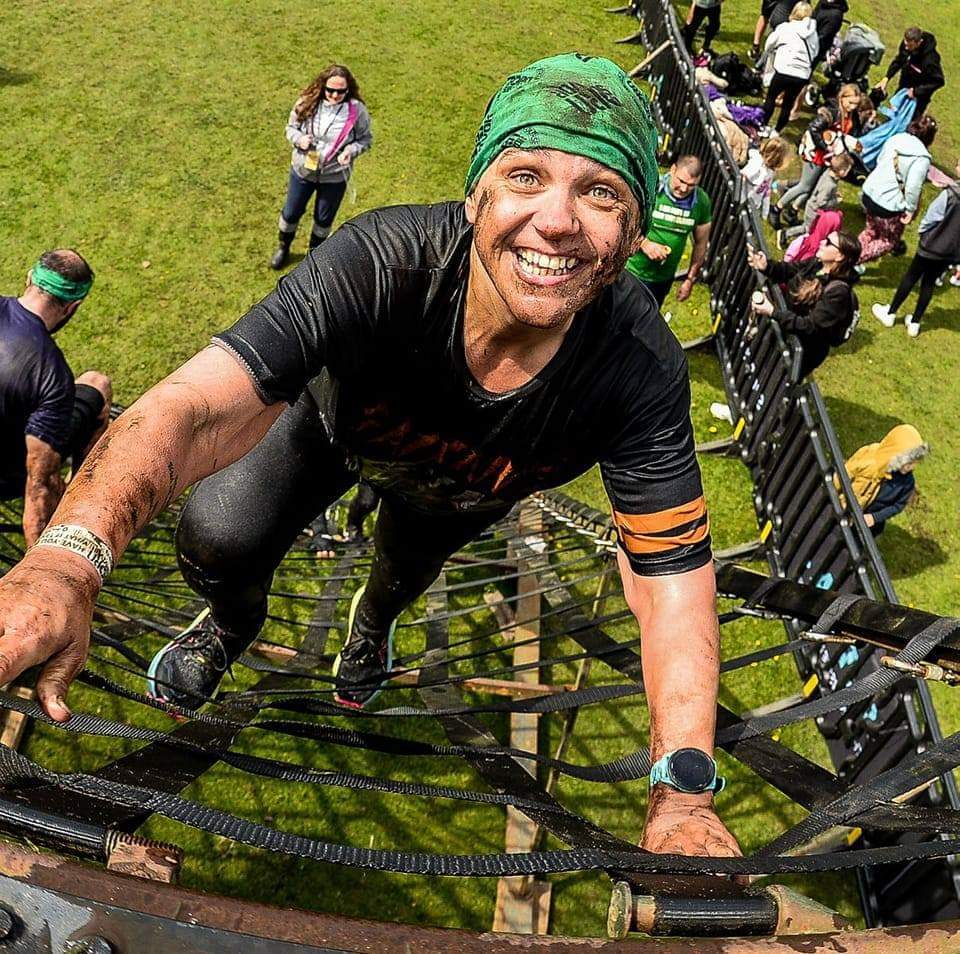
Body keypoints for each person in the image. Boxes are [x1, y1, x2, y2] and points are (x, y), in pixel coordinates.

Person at [0, 54, 740, 862]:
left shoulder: (639, 364)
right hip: (330, 430)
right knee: (217, 534)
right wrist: (65, 563)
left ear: (633, 234)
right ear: (475, 196)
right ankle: (233, 623)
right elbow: (194, 406)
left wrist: (684, 790)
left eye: (601, 193)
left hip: (460, 496)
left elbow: (671, 576)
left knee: (400, 575)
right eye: (526, 175)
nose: (557, 221)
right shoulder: (386, 261)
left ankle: (373, 624)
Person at [0, 251, 112, 546]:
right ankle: (83, 501)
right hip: (6, 477)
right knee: (96, 384)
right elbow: (38, 488)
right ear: (72, 307)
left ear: (28, 279)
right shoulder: (52, 377)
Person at [269, 65, 373, 270]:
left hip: (334, 177)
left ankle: (314, 258)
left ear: (348, 89)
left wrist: (350, 151)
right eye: (330, 90)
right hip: (303, 171)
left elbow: (365, 139)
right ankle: (284, 247)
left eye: (340, 91)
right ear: (322, 86)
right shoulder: (307, 102)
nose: (335, 95)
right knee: (291, 214)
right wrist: (299, 140)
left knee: (323, 221)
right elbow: (290, 128)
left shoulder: (356, 111)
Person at [747, 229, 860, 377]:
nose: (821, 242)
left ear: (839, 256)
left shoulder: (839, 294)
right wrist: (766, 266)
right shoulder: (817, 264)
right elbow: (791, 270)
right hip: (785, 332)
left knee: (770, 381)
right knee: (756, 366)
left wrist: (774, 312)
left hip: (802, 351)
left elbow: (810, 326)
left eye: (828, 242)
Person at [872, 157, 960, 337]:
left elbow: (933, 216)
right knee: (929, 283)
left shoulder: (950, 193)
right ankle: (915, 322)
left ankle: (890, 312)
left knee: (911, 277)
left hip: (931, 244)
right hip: (950, 251)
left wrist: (923, 232)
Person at [768, 83, 861, 228]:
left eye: (856, 104)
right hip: (817, 154)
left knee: (811, 186)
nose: (853, 107)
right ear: (842, 98)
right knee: (804, 186)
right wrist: (826, 147)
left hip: (830, 156)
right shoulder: (832, 111)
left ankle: (792, 211)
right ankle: (776, 208)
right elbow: (814, 129)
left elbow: (847, 133)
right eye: (850, 103)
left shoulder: (850, 115)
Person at [624, 155, 712, 308]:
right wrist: (644, 244)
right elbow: (624, 223)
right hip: (630, 271)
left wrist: (690, 279)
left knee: (643, 323)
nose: (684, 189)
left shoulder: (701, 202)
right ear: (672, 170)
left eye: (691, 185)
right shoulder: (649, 189)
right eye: (681, 181)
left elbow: (701, 244)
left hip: (662, 280)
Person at [857, 115, 937, 265]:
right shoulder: (921, 157)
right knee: (888, 241)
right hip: (888, 205)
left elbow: (880, 159)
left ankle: (850, 251)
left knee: (870, 231)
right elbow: (913, 187)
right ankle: (851, 260)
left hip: (870, 191)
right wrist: (911, 209)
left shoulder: (896, 138)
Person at [844, 424, 928, 534]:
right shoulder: (871, 462)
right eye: (908, 462)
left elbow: (898, 506)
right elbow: (847, 473)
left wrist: (874, 518)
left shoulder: (907, 483)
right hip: (847, 508)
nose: (911, 467)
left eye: (915, 463)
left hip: (869, 525)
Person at [760, 3, 819, 134]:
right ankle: (777, 131)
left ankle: (762, 127)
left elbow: (769, 43)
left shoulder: (785, 27)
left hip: (784, 70)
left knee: (771, 97)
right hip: (802, 75)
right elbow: (815, 53)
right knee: (788, 104)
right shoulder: (813, 34)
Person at [777, 153, 853, 250]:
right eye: (847, 170)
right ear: (842, 171)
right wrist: (835, 201)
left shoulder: (828, 173)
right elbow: (821, 202)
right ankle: (785, 234)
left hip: (812, 206)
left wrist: (833, 195)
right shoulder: (830, 185)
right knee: (807, 230)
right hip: (814, 210)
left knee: (808, 227)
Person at [874, 27, 945, 118]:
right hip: (905, 84)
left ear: (919, 42)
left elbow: (938, 81)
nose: (906, 48)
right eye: (905, 44)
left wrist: (916, 91)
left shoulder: (930, 60)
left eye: (910, 46)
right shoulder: (906, 46)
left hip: (920, 95)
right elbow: (899, 61)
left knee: (910, 121)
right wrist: (886, 78)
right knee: (895, 112)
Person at [741, 136, 791, 219]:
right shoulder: (757, 164)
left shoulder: (770, 172)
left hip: (752, 207)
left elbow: (766, 190)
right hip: (742, 204)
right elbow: (742, 177)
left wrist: (765, 211)